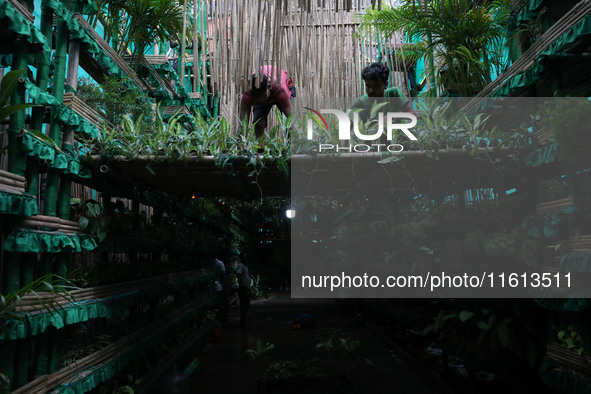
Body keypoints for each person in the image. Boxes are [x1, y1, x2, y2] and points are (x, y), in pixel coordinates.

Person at [239, 65, 296, 141]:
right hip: (262, 91)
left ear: (269, 88)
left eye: (262, 97)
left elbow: (291, 119)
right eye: (257, 98)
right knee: (258, 123)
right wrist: (239, 148)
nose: (261, 101)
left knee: (288, 123)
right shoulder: (248, 94)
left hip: (282, 84)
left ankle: (290, 148)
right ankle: (260, 150)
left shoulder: (281, 90)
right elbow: (242, 124)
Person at [351, 62, 411, 127]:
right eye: (368, 86)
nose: (371, 90)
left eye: (376, 86)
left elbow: (412, 114)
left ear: (385, 85)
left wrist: (391, 117)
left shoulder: (394, 93)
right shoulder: (360, 103)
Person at [236, 252, 251, 329]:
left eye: (246, 257)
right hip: (244, 289)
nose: (246, 258)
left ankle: (244, 323)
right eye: (244, 257)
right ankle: (243, 324)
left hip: (246, 289)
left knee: (246, 306)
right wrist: (244, 285)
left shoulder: (245, 266)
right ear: (241, 258)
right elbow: (238, 275)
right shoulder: (241, 266)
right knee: (244, 307)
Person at [213, 257, 228, 327]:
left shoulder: (217, 263)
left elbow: (223, 276)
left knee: (219, 307)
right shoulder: (219, 263)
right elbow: (223, 276)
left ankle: (221, 325)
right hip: (218, 288)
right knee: (221, 307)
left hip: (216, 288)